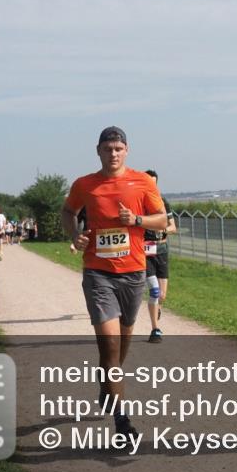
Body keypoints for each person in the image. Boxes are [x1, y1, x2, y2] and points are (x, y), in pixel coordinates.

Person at [61, 126, 168, 440]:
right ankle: (122, 421)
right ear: (98, 151)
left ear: (127, 151)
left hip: (133, 273)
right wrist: (73, 234)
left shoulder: (143, 182)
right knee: (109, 345)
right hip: (98, 273)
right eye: (107, 149)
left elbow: (161, 220)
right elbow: (69, 211)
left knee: (121, 346)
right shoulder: (85, 184)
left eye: (118, 149)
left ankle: (107, 382)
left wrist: (136, 220)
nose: (113, 154)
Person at [143, 169, 176, 343]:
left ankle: (156, 308)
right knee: (154, 291)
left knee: (162, 295)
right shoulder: (139, 203)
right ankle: (155, 329)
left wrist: (161, 228)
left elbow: (173, 227)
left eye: (154, 183)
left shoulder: (163, 203)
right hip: (146, 252)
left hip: (162, 251)